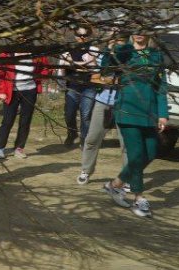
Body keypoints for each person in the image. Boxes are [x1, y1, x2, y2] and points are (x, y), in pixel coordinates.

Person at [102, 33, 169, 218]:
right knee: (137, 155)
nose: (139, 33)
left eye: (142, 29)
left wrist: (163, 114)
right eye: (135, 29)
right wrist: (109, 48)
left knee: (151, 152)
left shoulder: (155, 55)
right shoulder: (125, 51)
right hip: (127, 110)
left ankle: (115, 185)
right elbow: (105, 68)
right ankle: (139, 198)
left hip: (150, 112)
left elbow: (161, 85)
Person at [77, 33, 126, 184]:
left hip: (124, 104)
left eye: (120, 40)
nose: (116, 43)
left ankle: (127, 177)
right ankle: (86, 170)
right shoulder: (103, 56)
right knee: (92, 138)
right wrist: (106, 79)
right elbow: (94, 78)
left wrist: (120, 81)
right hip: (103, 101)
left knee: (126, 144)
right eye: (113, 40)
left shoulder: (131, 57)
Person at [0, 52, 51, 158]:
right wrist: (1, 91)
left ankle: (19, 148)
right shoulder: (6, 55)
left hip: (30, 91)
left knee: (25, 121)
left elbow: (46, 69)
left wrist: (38, 77)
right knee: (8, 120)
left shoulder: (37, 54)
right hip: (12, 91)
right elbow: (1, 74)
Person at [61, 25, 100, 147]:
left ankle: (84, 138)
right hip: (72, 86)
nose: (82, 38)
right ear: (75, 35)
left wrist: (76, 64)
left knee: (85, 114)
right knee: (69, 113)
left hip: (89, 86)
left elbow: (95, 67)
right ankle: (72, 133)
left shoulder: (94, 49)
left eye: (85, 35)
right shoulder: (68, 50)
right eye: (79, 35)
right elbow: (64, 66)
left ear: (88, 36)